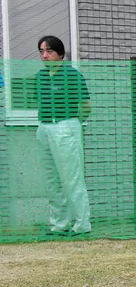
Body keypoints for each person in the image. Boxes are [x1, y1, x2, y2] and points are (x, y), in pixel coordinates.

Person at [36, 35, 92, 235]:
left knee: (72, 177)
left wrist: (72, 122)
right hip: (44, 127)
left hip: (65, 126)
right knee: (52, 180)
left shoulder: (72, 75)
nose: (45, 56)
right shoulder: (40, 77)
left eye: (49, 51)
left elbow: (86, 106)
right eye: (42, 52)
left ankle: (82, 225)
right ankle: (59, 224)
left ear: (60, 54)